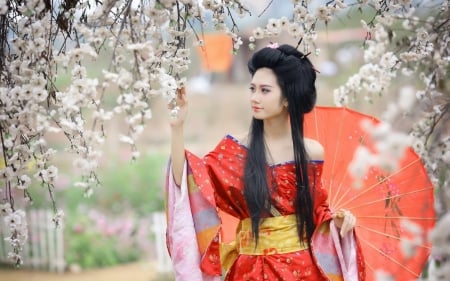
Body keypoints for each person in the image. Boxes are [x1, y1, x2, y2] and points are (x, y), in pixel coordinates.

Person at [165, 43, 366, 281]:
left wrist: (337, 221)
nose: (254, 98)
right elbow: (189, 183)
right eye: (252, 89)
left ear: (287, 99)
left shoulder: (311, 152)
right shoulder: (235, 151)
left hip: (301, 271)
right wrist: (177, 128)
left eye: (265, 90)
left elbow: (315, 210)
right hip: (249, 270)